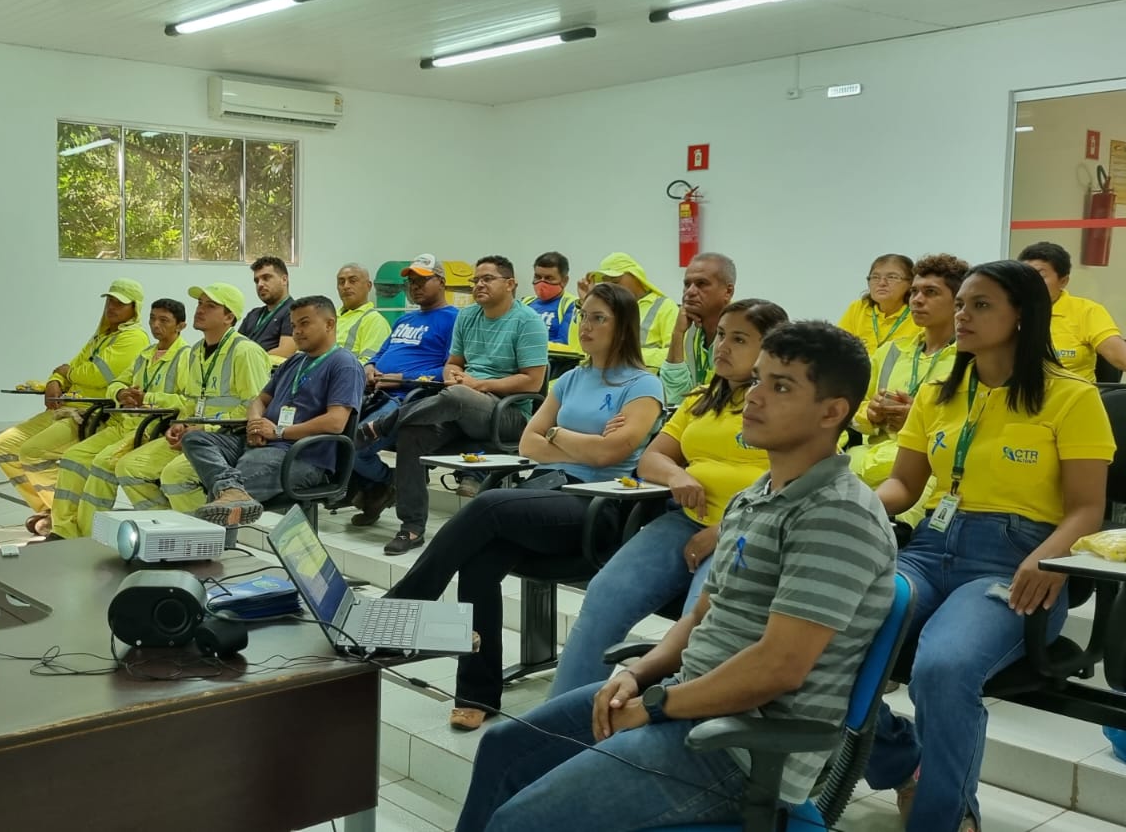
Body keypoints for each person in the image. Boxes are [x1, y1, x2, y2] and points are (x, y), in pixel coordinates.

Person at [456, 321, 896, 832]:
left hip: (739, 747)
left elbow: (779, 668)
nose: (753, 397)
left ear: (833, 412)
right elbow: (706, 612)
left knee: (520, 822)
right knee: (503, 749)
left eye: (781, 386)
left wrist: (660, 704)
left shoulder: (837, 515)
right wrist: (639, 673)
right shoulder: (761, 493)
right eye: (758, 380)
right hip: (689, 699)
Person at [864, 260, 1114, 832]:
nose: (962, 316)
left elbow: (1085, 508)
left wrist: (1048, 557)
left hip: (1017, 559)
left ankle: (944, 819)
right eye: (962, 305)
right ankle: (903, 761)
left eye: (980, 305)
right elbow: (904, 485)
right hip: (930, 549)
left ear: (1022, 317)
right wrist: (851, 508)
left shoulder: (1071, 397)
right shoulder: (939, 392)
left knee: (944, 666)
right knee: (827, 632)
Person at [383, 282, 663, 730]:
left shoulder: (643, 385)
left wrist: (558, 437)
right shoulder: (570, 379)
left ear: (623, 327)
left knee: (489, 505)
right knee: (479, 560)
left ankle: (400, 610)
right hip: (549, 491)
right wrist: (574, 442)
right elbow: (530, 442)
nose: (585, 327)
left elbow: (614, 454)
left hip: (601, 508)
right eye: (583, 317)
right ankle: (476, 695)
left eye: (598, 319)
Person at [550, 299, 788, 697]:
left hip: (748, 530)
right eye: (721, 336)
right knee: (605, 595)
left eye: (739, 339)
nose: (722, 347)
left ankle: (669, 727)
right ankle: (561, 723)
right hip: (686, 519)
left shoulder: (783, 406)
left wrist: (724, 529)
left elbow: (795, 485)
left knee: (701, 623)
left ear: (771, 350)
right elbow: (652, 458)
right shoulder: (700, 399)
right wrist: (677, 475)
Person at [378, 256, 550, 555]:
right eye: (475, 280)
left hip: (507, 414)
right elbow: (452, 364)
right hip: (464, 405)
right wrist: (453, 376)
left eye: (487, 279)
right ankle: (412, 527)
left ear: (510, 284)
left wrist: (477, 385)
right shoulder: (467, 316)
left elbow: (532, 382)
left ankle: (383, 425)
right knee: (413, 433)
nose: (478, 285)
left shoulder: (528, 321)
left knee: (456, 396)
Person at [186, 296, 364, 526]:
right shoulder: (293, 362)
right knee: (195, 439)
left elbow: (335, 422)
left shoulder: (344, 364)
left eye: (305, 323)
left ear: (329, 324)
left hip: (300, 455)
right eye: (294, 325)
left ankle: (216, 542)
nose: (297, 331)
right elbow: (259, 400)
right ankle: (231, 489)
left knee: (226, 493)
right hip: (263, 443)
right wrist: (254, 423)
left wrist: (278, 432)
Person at [0, 279, 149, 535]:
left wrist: (66, 373)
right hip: (65, 406)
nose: (112, 307)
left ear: (135, 308)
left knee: (33, 451)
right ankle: (48, 510)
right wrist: (55, 380)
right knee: (4, 445)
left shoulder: (134, 338)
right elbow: (69, 368)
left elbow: (98, 375)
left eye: (120, 303)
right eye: (110, 301)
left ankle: (65, 519)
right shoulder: (102, 336)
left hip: (89, 414)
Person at [114, 284, 270, 514]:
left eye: (210, 305)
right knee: (128, 467)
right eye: (199, 303)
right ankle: (166, 529)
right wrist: (180, 424)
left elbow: (256, 406)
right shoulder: (197, 351)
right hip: (195, 433)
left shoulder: (245, 351)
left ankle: (206, 537)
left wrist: (203, 426)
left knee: (174, 476)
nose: (200, 310)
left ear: (229, 316)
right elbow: (191, 400)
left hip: (225, 438)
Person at [47, 299, 190, 540]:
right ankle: (62, 530)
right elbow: (115, 383)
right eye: (153, 318)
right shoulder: (145, 355)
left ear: (181, 326)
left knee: (103, 464)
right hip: (124, 424)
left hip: (148, 429)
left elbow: (187, 400)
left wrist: (149, 398)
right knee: (74, 457)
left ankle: (89, 537)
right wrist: (121, 393)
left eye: (164, 320)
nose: (156, 325)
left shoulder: (186, 357)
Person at [848, 255, 968, 526]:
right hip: (864, 462)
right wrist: (873, 412)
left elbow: (973, 427)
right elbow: (854, 410)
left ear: (958, 302)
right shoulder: (890, 351)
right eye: (914, 291)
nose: (916, 299)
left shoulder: (970, 358)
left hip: (925, 471)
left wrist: (918, 418)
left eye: (930, 292)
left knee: (883, 531)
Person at [350, 255, 460, 523]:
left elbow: (451, 371)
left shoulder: (454, 319)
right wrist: (370, 367)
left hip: (407, 398)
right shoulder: (404, 320)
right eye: (411, 281)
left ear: (442, 282)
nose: (415, 286)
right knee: (334, 439)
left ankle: (390, 484)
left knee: (352, 447)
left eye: (422, 280)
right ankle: (382, 487)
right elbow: (381, 353)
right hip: (376, 393)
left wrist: (400, 378)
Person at [1017, 241, 1126, 382]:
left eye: (1040, 276)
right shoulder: (1008, 312)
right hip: (1019, 397)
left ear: (1063, 281)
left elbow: (1121, 357)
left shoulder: (1086, 311)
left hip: (1074, 398)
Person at [659, 252, 737, 406]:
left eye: (701, 284)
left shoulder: (742, 332)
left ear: (728, 292)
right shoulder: (689, 328)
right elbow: (675, 396)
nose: (690, 292)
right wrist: (677, 334)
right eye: (687, 284)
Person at [581, 252, 679, 371]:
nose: (612, 287)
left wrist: (625, 355)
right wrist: (586, 302)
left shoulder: (665, 307)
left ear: (635, 276)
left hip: (644, 380)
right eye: (606, 283)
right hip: (604, 376)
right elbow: (581, 348)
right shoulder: (605, 307)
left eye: (615, 281)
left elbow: (675, 354)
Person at [838, 253, 916, 354]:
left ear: (911, 283)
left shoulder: (918, 313)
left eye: (892, 277)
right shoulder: (858, 308)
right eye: (875, 277)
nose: (882, 283)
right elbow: (838, 348)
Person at [238, 255, 296, 361]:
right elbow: (236, 348)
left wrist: (248, 362)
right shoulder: (253, 315)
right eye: (256, 281)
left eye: (266, 278)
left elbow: (285, 352)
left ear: (284, 280)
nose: (260, 284)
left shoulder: (295, 311)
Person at [335, 262, 392, 364]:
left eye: (353, 281)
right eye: (341, 282)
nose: (346, 286)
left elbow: (369, 365)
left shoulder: (375, 321)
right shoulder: (330, 316)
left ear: (368, 286)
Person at [522, 251, 578, 348]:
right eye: (538, 277)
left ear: (564, 281)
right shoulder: (524, 303)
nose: (541, 283)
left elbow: (564, 343)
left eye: (549, 278)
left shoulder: (572, 305)